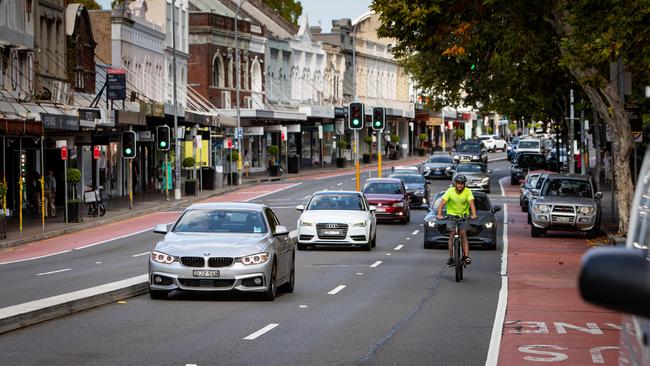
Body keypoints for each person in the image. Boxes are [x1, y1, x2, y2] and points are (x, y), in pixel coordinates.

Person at [437, 174, 478, 266]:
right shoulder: (450, 191)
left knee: (463, 234)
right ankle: (451, 257)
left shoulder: (468, 191)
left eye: (462, 183)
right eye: (458, 183)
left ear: (464, 184)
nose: (460, 185)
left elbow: (472, 204)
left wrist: (474, 214)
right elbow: (442, 203)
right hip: (451, 216)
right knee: (451, 235)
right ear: (455, 183)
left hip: (463, 216)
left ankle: (466, 256)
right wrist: (439, 215)